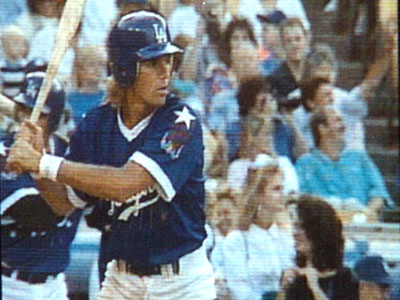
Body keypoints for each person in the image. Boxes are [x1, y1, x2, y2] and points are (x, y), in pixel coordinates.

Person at [7, 11, 216, 300]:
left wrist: (44, 162)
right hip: (122, 278)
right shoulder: (96, 125)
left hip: (181, 282)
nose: (166, 71)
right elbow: (62, 203)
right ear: (125, 69)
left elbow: (124, 185)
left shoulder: (181, 121)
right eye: (153, 63)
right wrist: (37, 163)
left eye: (168, 61)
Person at [1, 72, 82, 300]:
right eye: (24, 111)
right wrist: (84, 186)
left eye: (39, 114)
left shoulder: (70, 152)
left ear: (54, 119)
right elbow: (40, 214)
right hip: (11, 285)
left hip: (56, 285)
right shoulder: (3, 157)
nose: (28, 120)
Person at [295, 107, 393, 218]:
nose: (344, 125)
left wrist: (367, 214)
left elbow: (379, 192)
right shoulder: (305, 164)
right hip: (323, 224)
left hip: (361, 223)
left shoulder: (359, 158)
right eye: (338, 120)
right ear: (322, 128)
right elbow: (301, 198)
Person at [223, 163, 295, 300]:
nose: (282, 195)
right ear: (259, 195)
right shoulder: (237, 240)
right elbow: (238, 289)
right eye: (276, 189)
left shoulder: (284, 237)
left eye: (282, 189)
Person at [280, 195, 359, 300]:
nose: (295, 233)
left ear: (318, 231)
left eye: (301, 227)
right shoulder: (296, 279)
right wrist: (283, 290)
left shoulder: (345, 279)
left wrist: (315, 288)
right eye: (294, 226)